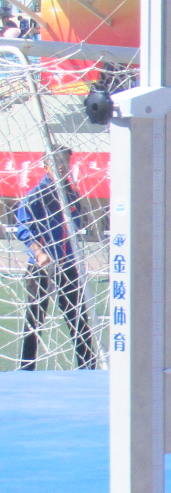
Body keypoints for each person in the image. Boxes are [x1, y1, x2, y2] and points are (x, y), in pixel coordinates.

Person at [13, 146, 96, 370]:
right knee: (34, 320)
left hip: (67, 266)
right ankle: (26, 369)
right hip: (41, 267)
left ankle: (88, 368)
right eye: (56, 161)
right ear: (46, 166)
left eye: (65, 161)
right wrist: (39, 252)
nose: (61, 166)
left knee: (78, 318)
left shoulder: (71, 194)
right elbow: (23, 228)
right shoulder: (36, 195)